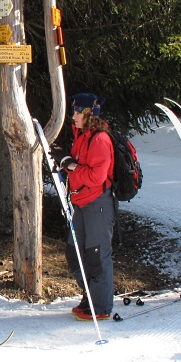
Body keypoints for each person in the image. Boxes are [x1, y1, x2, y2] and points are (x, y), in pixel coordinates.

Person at [59, 93, 115, 321]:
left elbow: (96, 176)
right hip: (80, 202)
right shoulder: (82, 136)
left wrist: (70, 166)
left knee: (96, 255)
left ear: (88, 114)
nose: (73, 116)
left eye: (76, 112)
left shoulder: (100, 139)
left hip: (97, 204)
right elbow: (76, 167)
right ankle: (90, 294)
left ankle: (100, 306)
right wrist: (63, 159)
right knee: (75, 252)